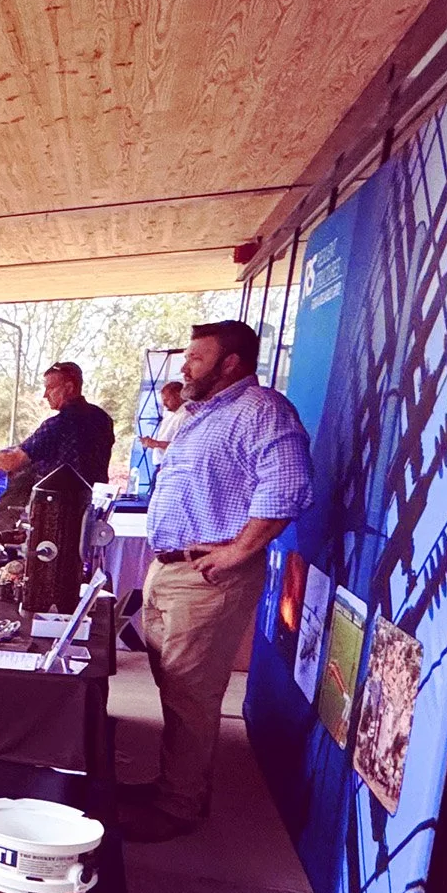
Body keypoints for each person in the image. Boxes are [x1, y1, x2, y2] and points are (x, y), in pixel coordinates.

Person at [124, 320, 312, 842]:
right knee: (175, 686)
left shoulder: (261, 410)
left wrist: (238, 551)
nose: (184, 367)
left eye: (196, 358)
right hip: (170, 569)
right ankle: (173, 784)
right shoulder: (199, 414)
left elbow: (288, 487)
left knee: (191, 694)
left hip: (207, 576)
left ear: (230, 363)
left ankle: (179, 807)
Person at [0, 360, 116, 486]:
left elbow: (10, 462)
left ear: (69, 388)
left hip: (60, 509)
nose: (45, 395)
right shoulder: (102, 418)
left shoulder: (58, 425)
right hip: (93, 504)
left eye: (50, 388)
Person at [138, 378, 190, 451]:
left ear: (178, 395)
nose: (164, 404)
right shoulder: (172, 414)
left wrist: (156, 444)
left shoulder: (186, 415)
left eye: (167, 400)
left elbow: (182, 445)